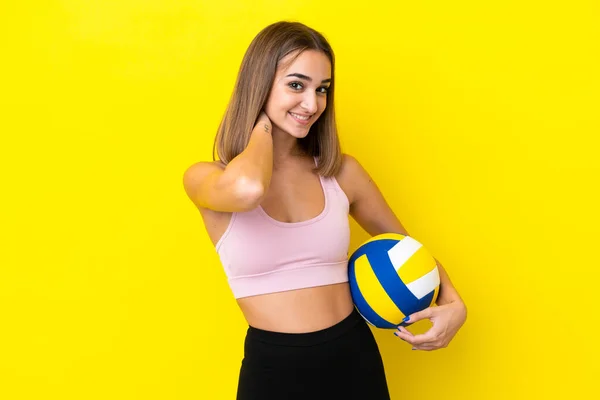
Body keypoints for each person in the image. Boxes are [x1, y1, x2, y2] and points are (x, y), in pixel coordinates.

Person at [183, 21, 467, 400]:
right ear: (259, 84)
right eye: (296, 85)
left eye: (322, 90)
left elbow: (407, 248)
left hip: (353, 360)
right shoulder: (207, 178)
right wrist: (263, 128)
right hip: (274, 372)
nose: (313, 104)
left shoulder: (341, 173)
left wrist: (454, 303)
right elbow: (249, 189)